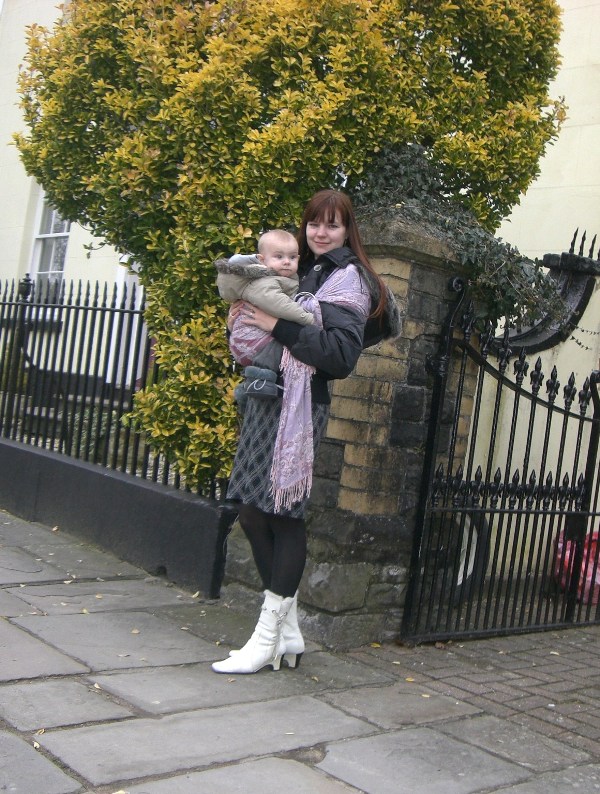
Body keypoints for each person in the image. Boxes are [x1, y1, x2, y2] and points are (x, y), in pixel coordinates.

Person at [212, 189, 399, 675]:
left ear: (347, 230)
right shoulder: (298, 267)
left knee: (284, 515)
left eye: (332, 224)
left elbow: (339, 356)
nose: (321, 232)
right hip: (267, 399)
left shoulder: (347, 279)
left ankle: (266, 638)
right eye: (315, 223)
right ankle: (289, 632)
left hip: (299, 407)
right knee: (251, 511)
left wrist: (276, 324)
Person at [215, 229, 314, 404]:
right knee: (280, 343)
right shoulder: (266, 282)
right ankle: (262, 382)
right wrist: (308, 319)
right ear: (262, 260)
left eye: (292, 257)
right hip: (252, 340)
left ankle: (246, 389)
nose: (286, 262)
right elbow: (280, 306)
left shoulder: (275, 278)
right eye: (279, 257)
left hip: (244, 340)